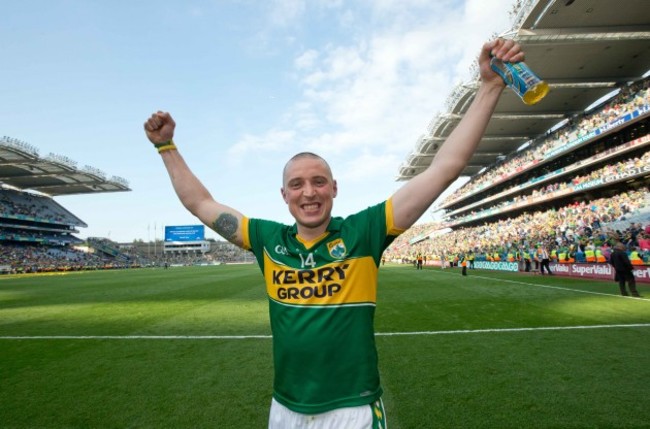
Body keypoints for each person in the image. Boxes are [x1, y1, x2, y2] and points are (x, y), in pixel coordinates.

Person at [143, 38, 525, 429]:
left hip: (353, 410)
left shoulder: (366, 230)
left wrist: (490, 86)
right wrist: (166, 147)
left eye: (318, 181)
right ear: (284, 195)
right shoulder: (266, 239)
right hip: (286, 409)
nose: (308, 192)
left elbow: (444, 167)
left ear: (334, 188)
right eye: (297, 184)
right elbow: (200, 204)